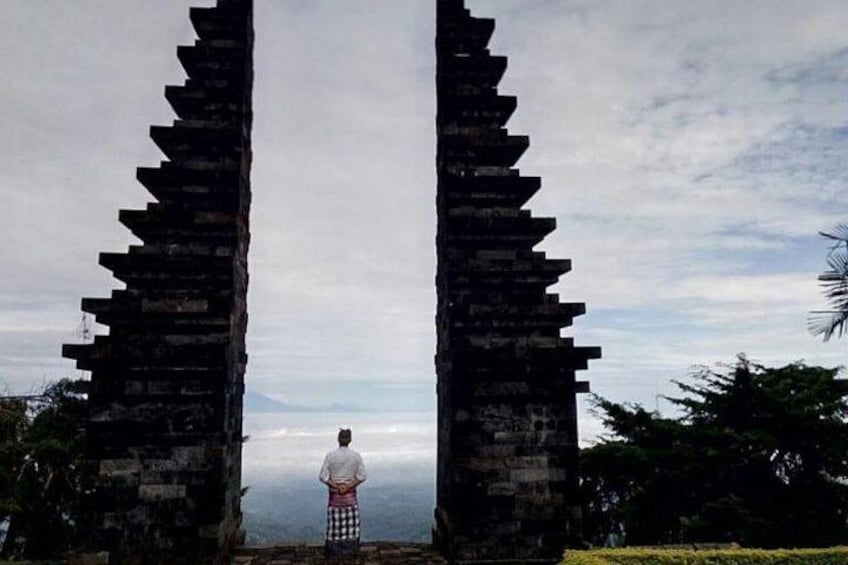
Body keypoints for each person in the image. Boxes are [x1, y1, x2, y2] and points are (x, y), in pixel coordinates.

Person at [319, 428, 367, 557]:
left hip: (334, 499)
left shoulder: (330, 456)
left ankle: (334, 552)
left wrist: (336, 486)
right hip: (350, 498)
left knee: (334, 527)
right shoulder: (356, 456)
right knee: (351, 527)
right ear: (350, 440)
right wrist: (347, 486)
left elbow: (323, 476)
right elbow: (362, 476)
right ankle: (350, 551)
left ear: (338, 439)